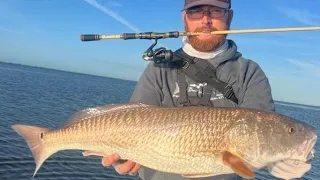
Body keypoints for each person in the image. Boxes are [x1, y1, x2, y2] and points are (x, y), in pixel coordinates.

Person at [100, 0, 312, 179]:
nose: (205, 19)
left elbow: (257, 141)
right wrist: (123, 158)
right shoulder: (158, 68)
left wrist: (276, 160)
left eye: (216, 11)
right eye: (196, 11)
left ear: (229, 17)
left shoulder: (249, 72)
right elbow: (132, 119)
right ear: (185, 18)